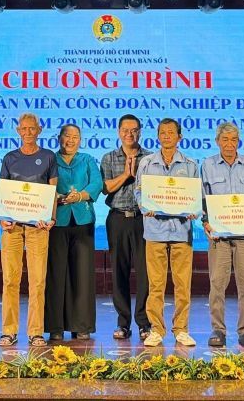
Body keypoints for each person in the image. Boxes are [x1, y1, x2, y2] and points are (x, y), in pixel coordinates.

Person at [134, 118, 199, 348]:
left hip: (181, 231)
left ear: (179, 137)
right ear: (158, 136)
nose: (167, 136)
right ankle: (156, 329)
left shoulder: (190, 165)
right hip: (154, 231)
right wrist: (145, 206)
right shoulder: (147, 163)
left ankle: (181, 329)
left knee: (183, 284)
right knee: (156, 284)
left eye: (171, 132)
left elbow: (196, 196)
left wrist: (194, 210)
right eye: (163, 132)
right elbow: (138, 191)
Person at [200, 122, 244, 348]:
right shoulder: (207, 165)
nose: (229, 144)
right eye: (224, 140)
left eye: (233, 140)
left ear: (239, 142)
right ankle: (218, 329)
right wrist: (205, 222)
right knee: (217, 284)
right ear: (217, 142)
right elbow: (202, 198)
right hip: (219, 236)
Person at [0, 112, 57, 347]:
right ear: (18, 131)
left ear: (39, 130)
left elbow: (52, 190)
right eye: (24, 129)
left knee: (37, 281)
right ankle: (9, 331)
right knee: (10, 280)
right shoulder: (9, 158)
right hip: (12, 228)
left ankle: (35, 332)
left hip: (38, 228)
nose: (28, 132)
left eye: (32, 128)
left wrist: (51, 218)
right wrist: (2, 219)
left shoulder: (48, 157)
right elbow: (4, 192)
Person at [45, 124, 102, 342]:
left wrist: (80, 196)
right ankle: (55, 327)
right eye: (67, 136)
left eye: (75, 137)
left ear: (80, 140)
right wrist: (57, 197)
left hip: (82, 220)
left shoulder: (87, 159)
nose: (71, 140)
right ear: (59, 138)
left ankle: (82, 325)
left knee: (83, 275)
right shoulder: (50, 159)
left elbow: (96, 182)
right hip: (56, 221)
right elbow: (43, 184)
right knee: (56, 275)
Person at [100, 114, 152, 341]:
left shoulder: (151, 159)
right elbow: (105, 188)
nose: (129, 134)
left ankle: (144, 323)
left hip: (143, 220)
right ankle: (123, 323)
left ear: (140, 132)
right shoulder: (109, 158)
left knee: (145, 273)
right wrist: (126, 175)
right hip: (118, 219)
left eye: (134, 130)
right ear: (118, 132)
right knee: (118, 272)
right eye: (125, 130)